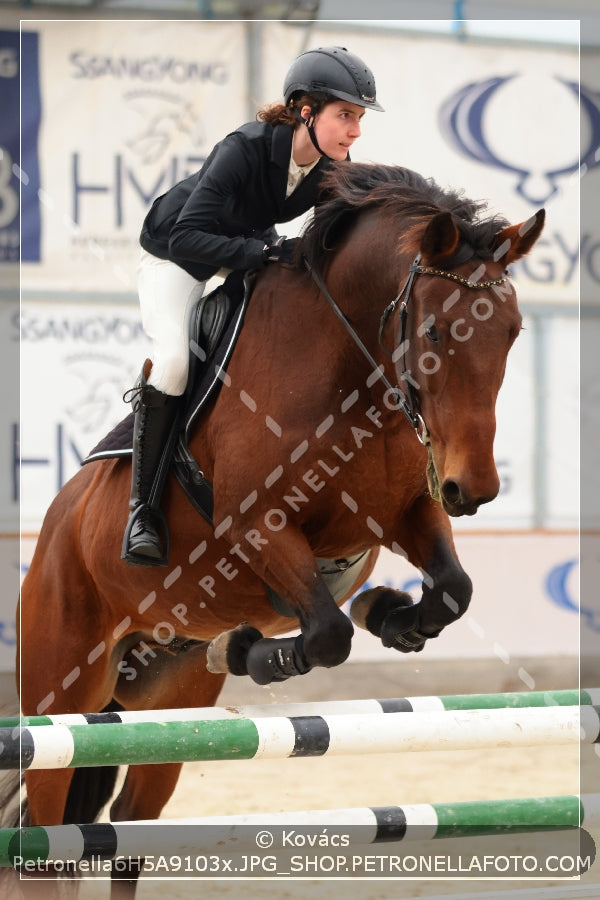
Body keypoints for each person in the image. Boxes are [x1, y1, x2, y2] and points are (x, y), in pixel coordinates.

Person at [122, 45, 384, 567]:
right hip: (175, 256)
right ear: (305, 112)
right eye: (346, 116)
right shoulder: (244, 147)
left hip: (243, 247)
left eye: (358, 119)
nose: (355, 131)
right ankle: (142, 511)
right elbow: (186, 237)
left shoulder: (333, 165)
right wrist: (263, 252)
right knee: (174, 361)